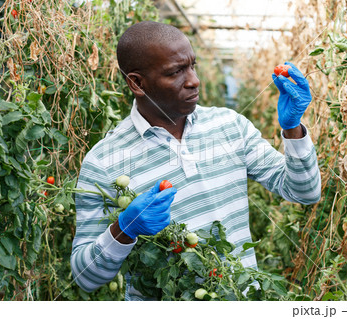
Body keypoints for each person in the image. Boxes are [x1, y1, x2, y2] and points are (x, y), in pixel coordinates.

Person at [70, 21, 321, 301]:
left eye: (192, 66)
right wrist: (123, 231)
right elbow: (84, 277)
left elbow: (305, 192)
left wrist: (293, 130)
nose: (193, 80)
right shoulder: (104, 161)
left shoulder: (230, 126)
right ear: (137, 83)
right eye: (176, 72)